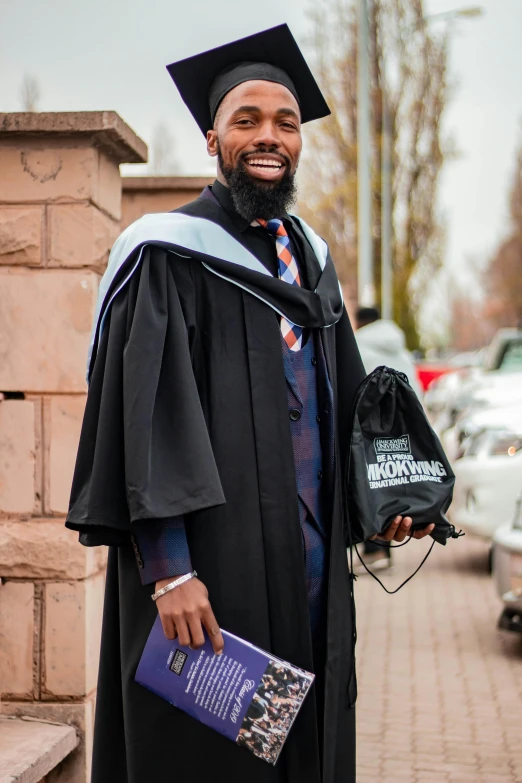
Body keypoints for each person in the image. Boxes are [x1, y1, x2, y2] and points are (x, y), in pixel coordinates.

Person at [66, 24, 435, 783]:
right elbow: (150, 421)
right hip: (211, 584)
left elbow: (353, 407)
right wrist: (170, 571)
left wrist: (386, 500)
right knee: (211, 760)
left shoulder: (313, 262)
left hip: (310, 576)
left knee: (303, 747)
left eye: (286, 123)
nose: (269, 137)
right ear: (213, 139)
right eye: (247, 121)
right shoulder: (169, 253)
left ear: (300, 141)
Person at [354, 306, 423, 572]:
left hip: (374, 428)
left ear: (361, 323)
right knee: (392, 482)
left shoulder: (360, 346)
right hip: (404, 425)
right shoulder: (399, 348)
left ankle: (376, 551)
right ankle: (385, 547)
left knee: (371, 484)